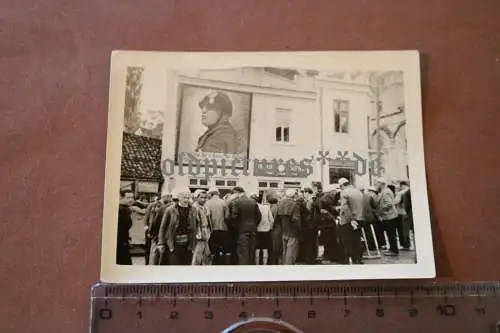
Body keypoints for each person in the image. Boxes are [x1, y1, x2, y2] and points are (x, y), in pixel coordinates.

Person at [157, 187, 200, 265]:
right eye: (184, 197)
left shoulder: (193, 210)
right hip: (173, 243)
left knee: (186, 267)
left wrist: (197, 233)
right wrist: (161, 243)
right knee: (174, 266)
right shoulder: (170, 210)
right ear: (179, 197)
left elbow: (196, 224)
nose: (186, 200)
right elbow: (162, 227)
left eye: (188, 197)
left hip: (188, 244)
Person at [229, 186, 262, 265]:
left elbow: (234, 217)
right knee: (251, 250)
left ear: (236, 193)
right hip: (253, 228)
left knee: (243, 251)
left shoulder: (236, 202)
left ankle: (243, 270)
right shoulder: (253, 202)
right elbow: (259, 216)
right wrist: (254, 224)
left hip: (242, 229)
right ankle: (251, 268)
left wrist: (236, 226)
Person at [338, 178, 365, 264]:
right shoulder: (358, 192)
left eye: (340, 186)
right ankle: (358, 259)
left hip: (348, 221)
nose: (340, 188)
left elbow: (345, 208)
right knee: (357, 239)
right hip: (359, 218)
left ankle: (347, 260)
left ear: (342, 185)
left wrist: (351, 220)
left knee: (347, 241)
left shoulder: (344, 193)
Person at [375, 178, 400, 256]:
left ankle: (394, 250)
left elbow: (389, 204)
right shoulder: (385, 191)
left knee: (391, 234)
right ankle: (392, 249)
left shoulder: (385, 192)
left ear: (381, 184)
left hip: (389, 216)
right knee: (390, 234)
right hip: (389, 216)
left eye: (377, 183)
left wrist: (380, 212)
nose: (376, 185)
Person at [206, 188, 231, 265]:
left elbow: (207, 216)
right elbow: (227, 217)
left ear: (211, 194)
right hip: (224, 229)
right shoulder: (224, 202)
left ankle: (213, 266)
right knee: (226, 249)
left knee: (213, 249)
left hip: (213, 229)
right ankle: (227, 265)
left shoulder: (207, 203)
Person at [276, 189, 301, 265]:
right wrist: (299, 229)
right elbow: (296, 219)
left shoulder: (280, 203)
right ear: (293, 195)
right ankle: (289, 268)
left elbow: (277, 218)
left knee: (285, 250)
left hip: (284, 229)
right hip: (292, 230)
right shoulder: (295, 204)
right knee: (291, 251)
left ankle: (284, 266)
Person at [250, 194, 274, 265]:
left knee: (257, 249)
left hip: (257, 230)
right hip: (266, 231)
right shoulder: (267, 207)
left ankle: (257, 265)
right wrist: (269, 228)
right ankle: (264, 265)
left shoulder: (254, 207)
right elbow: (272, 220)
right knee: (265, 248)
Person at [191, 190, 212, 265]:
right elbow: (194, 222)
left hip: (206, 231)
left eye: (205, 197)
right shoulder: (194, 207)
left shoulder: (205, 207)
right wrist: (198, 233)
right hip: (199, 232)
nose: (203, 199)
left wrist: (209, 230)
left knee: (206, 253)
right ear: (196, 198)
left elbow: (208, 219)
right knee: (198, 252)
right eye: (201, 197)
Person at [117, 189, 134, 265]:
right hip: (120, 244)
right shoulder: (121, 210)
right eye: (128, 197)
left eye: (132, 197)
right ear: (122, 197)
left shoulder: (125, 209)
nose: (131, 200)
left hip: (124, 242)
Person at [360, 187, 378, 252]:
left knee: (360, 232)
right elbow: (375, 206)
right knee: (369, 232)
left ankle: (364, 246)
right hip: (370, 217)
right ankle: (371, 246)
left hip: (362, 218)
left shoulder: (357, 198)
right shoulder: (369, 197)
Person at [395, 180, 412, 250]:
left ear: (402, 185)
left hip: (401, 213)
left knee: (402, 230)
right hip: (408, 213)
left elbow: (396, 201)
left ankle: (405, 245)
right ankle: (407, 244)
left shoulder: (401, 193)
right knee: (407, 230)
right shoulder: (410, 191)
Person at [267, 191, 282, 265]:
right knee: (276, 245)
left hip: (275, 229)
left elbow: (273, 219)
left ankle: (274, 262)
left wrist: (270, 228)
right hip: (278, 228)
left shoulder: (273, 208)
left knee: (275, 246)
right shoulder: (277, 206)